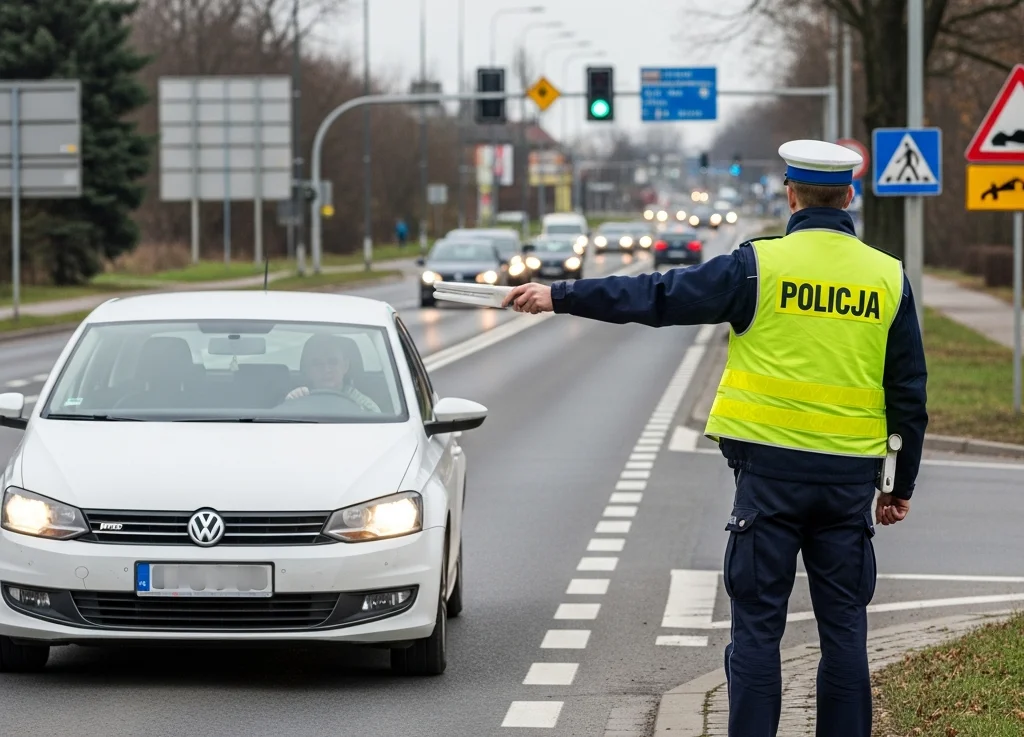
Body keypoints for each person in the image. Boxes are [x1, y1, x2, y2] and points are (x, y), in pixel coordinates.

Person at [502, 139, 928, 737]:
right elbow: (909, 393)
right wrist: (898, 485)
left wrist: (562, 295)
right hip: (846, 485)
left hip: (769, 482)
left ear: (791, 194)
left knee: (757, 631)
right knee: (845, 635)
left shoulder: (758, 266)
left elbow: (658, 296)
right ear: (850, 195)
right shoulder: (888, 278)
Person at [285, 333, 381, 413]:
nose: (326, 369)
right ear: (307, 369)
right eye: (317, 363)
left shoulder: (366, 407)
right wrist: (290, 403)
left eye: (333, 362)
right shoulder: (298, 398)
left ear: (345, 366)